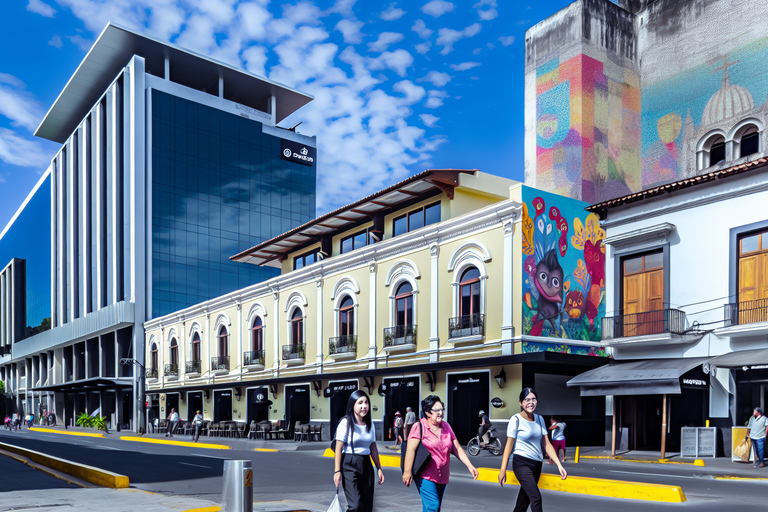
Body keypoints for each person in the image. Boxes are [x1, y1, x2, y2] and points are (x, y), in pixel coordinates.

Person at [403, 395, 478, 512]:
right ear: (428, 412)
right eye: (437, 410)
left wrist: (470, 465)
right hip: (424, 474)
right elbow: (410, 449)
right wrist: (407, 471)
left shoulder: (446, 426)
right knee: (433, 505)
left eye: (442, 409)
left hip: (441, 475)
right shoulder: (419, 426)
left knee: (434, 508)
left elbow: (456, 447)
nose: (441, 412)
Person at [498, 388, 567, 512]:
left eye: (534, 399)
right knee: (536, 498)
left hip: (536, 464)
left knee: (523, 503)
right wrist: (503, 470)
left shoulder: (540, 419)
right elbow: (508, 446)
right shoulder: (516, 419)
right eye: (527, 400)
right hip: (521, 464)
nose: (531, 402)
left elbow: (547, 444)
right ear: (520, 403)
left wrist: (559, 464)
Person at [333, 389, 384, 512]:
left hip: (366, 464)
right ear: (353, 405)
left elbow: (373, 447)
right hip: (349, 464)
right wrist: (337, 471)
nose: (364, 406)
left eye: (366, 402)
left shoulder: (369, 424)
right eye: (360, 403)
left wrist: (379, 468)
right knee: (355, 505)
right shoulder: (345, 423)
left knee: (367, 506)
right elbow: (338, 448)